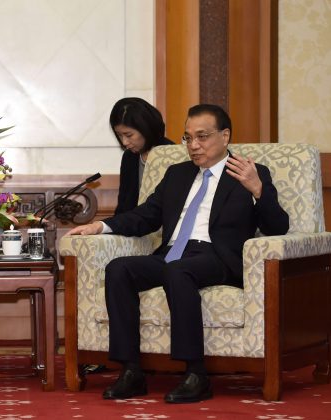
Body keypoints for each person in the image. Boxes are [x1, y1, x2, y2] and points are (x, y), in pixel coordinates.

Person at [68, 104, 289, 403]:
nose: (194, 146)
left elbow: (278, 227)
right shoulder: (177, 174)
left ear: (225, 136)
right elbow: (145, 216)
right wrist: (101, 226)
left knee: (178, 271)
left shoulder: (250, 173)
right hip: (174, 253)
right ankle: (131, 371)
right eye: (187, 138)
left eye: (202, 137)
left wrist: (258, 190)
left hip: (218, 257)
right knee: (119, 268)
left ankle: (196, 373)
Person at [111, 98, 174, 215]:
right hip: (133, 228)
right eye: (119, 135)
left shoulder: (172, 154)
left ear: (146, 128)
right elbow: (123, 206)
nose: (124, 142)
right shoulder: (129, 157)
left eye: (128, 135)